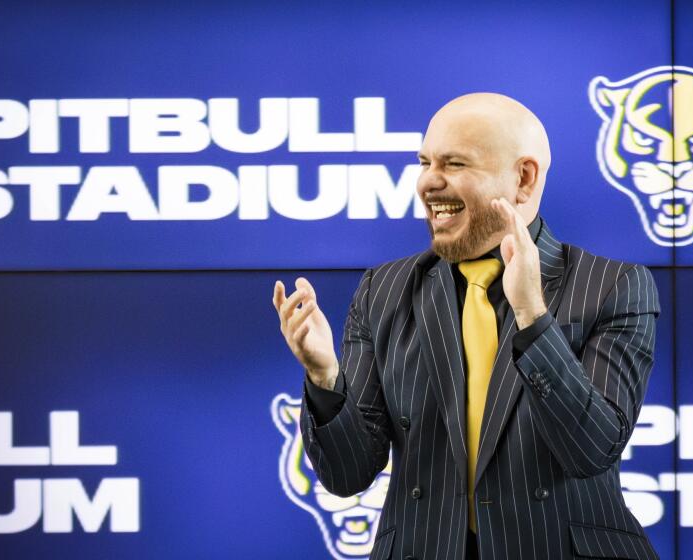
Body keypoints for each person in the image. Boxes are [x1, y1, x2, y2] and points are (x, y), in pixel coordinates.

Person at [272, 93, 660, 560]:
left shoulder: (614, 286)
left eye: (454, 164)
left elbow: (592, 451)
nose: (428, 182)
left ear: (524, 178)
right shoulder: (383, 290)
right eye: (424, 162)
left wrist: (533, 318)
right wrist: (324, 379)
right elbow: (347, 475)